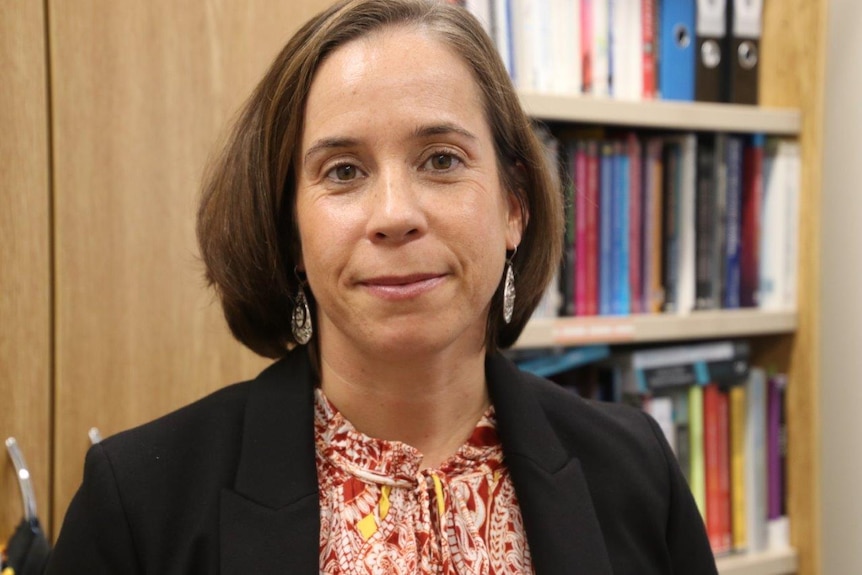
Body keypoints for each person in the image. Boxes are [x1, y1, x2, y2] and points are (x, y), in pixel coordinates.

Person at [47, 1, 718, 573]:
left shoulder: (637, 469)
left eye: (441, 160)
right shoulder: (138, 501)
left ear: (515, 206)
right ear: (291, 231)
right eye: (343, 171)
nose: (395, 214)